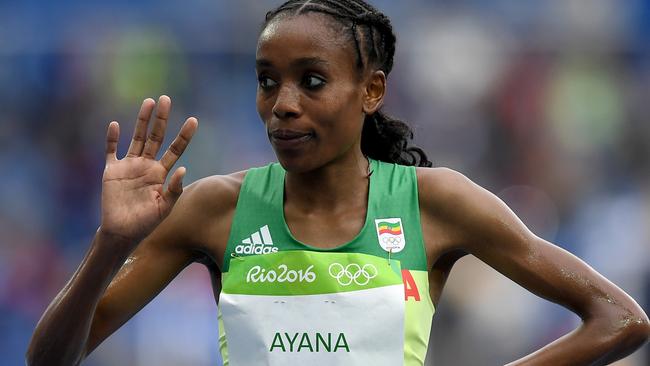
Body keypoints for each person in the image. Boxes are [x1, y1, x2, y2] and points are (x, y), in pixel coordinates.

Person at [27, 0, 649, 365]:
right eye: (267, 80)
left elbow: (619, 319)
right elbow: (51, 359)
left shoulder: (434, 202)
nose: (283, 104)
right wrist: (110, 243)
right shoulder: (217, 208)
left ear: (371, 90)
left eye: (312, 81)